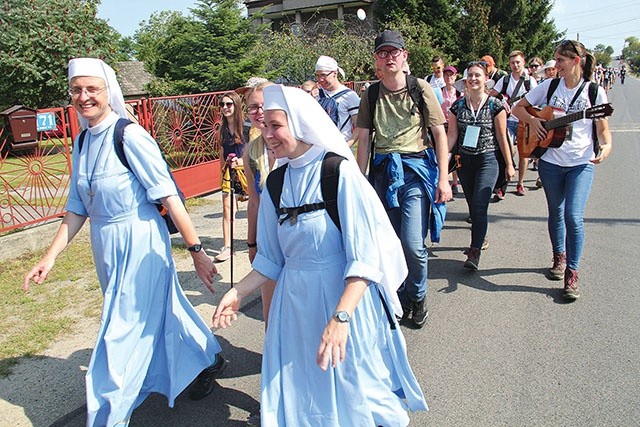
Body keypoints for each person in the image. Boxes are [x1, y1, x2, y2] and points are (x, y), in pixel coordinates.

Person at [23, 58, 225, 426]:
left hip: (140, 242)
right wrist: (50, 257)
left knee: (121, 330)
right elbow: (77, 208)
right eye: (77, 90)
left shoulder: (129, 136)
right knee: (160, 311)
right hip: (106, 244)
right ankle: (208, 358)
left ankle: (108, 415)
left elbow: (168, 197)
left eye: (92, 89)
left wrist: (197, 251)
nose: (84, 97)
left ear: (107, 92)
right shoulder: (82, 140)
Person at [213, 84, 428, 426]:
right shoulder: (276, 183)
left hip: (343, 302)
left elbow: (364, 257)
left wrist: (340, 319)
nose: (266, 134)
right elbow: (270, 258)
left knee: (353, 389)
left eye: (275, 125)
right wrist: (237, 293)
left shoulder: (338, 173)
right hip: (293, 308)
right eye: (263, 125)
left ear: (298, 123)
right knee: (302, 390)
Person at [356, 30, 452, 328]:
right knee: (389, 243)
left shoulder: (421, 88)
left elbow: (439, 135)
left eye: (394, 52)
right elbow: (362, 141)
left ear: (404, 55)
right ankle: (398, 296)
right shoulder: (370, 94)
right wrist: (359, 184)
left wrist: (445, 179)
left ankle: (418, 295)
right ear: (376, 59)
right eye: (383, 53)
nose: (389, 57)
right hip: (383, 174)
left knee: (412, 243)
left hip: (415, 171)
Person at [513, 39, 612, 301]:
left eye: (560, 60)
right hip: (551, 161)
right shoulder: (550, 86)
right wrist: (534, 121)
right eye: (555, 60)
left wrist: (607, 147)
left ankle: (572, 272)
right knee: (556, 211)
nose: (555, 65)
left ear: (576, 61)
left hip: (581, 163)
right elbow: (517, 108)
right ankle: (559, 256)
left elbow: (603, 132)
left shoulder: (594, 93)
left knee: (573, 216)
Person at [447, 61, 515, 270]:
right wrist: (440, 160)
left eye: (478, 75)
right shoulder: (457, 106)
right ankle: (481, 236)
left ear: (486, 79)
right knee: (472, 204)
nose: (473, 79)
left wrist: (510, 164)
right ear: (465, 80)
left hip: (488, 160)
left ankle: (474, 251)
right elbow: (451, 136)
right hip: (465, 161)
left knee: (479, 204)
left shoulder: (495, 105)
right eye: (470, 75)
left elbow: (502, 137)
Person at [241, 81, 278, 326]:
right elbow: (253, 201)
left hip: (299, 235)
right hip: (268, 236)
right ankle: (275, 360)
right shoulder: (250, 152)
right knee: (271, 309)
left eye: (264, 106)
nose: (259, 112)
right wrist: (252, 243)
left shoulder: (297, 140)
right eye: (253, 107)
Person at [489, 50, 538, 198]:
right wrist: (501, 101)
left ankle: (520, 183)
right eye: (512, 62)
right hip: (509, 120)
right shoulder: (505, 80)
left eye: (518, 62)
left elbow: (537, 100)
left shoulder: (530, 81)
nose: (515, 65)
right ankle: (502, 185)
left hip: (525, 120)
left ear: (523, 62)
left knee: (524, 154)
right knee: (507, 151)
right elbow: (491, 95)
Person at [215, 91, 248, 262]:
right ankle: (227, 247)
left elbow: (253, 152)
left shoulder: (247, 127)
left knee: (256, 208)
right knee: (227, 210)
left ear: (236, 105)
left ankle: (257, 243)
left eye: (229, 104)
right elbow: (222, 153)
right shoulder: (222, 130)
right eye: (222, 105)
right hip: (230, 173)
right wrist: (222, 174)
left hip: (247, 172)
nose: (225, 108)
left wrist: (241, 162)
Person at [314, 55, 361, 146]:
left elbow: (359, 126)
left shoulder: (349, 96)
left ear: (335, 73)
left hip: (340, 148)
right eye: (317, 75)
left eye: (324, 75)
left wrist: (348, 145)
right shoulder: (317, 95)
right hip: (319, 148)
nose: (320, 79)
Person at [441, 65, 462, 195]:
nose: (449, 78)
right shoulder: (439, 92)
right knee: (443, 152)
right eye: (446, 75)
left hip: (455, 125)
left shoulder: (459, 93)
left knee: (456, 154)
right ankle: (444, 178)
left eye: (451, 75)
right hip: (443, 125)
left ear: (455, 76)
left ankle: (455, 181)